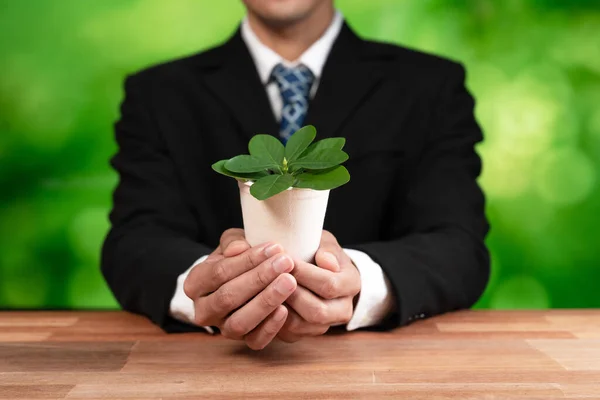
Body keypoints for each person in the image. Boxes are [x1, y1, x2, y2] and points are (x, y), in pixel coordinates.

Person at [101, 0, 490, 350]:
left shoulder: (429, 87)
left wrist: (360, 284)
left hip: (379, 368)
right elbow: (134, 241)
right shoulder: (158, 94)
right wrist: (206, 288)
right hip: (212, 364)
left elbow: (460, 245)